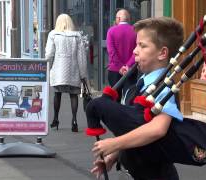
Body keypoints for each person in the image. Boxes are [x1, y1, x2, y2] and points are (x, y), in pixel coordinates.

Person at [88, 17, 184, 179]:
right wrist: (114, 155)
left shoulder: (164, 88)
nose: (135, 51)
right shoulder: (139, 85)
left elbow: (157, 129)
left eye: (142, 46)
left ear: (162, 53)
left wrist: (114, 144)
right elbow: (135, 128)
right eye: (136, 44)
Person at [45, 14, 88, 132]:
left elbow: (49, 54)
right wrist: (83, 74)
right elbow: (82, 57)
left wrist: (46, 67)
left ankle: (55, 119)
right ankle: (74, 120)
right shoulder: (77, 36)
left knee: (57, 94)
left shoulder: (53, 34)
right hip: (73, 70)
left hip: (58, 70)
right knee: (73, 95)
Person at [106, 8, 137, 100]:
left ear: (118, 19)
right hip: (131, 69)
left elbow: (111, 52)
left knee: (115, 98)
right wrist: (127, 65)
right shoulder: (135, 31)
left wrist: (120, 67)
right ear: (128, 19)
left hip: (115, 70)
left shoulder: (111, 31)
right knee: (129, 97)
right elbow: (137, 51)